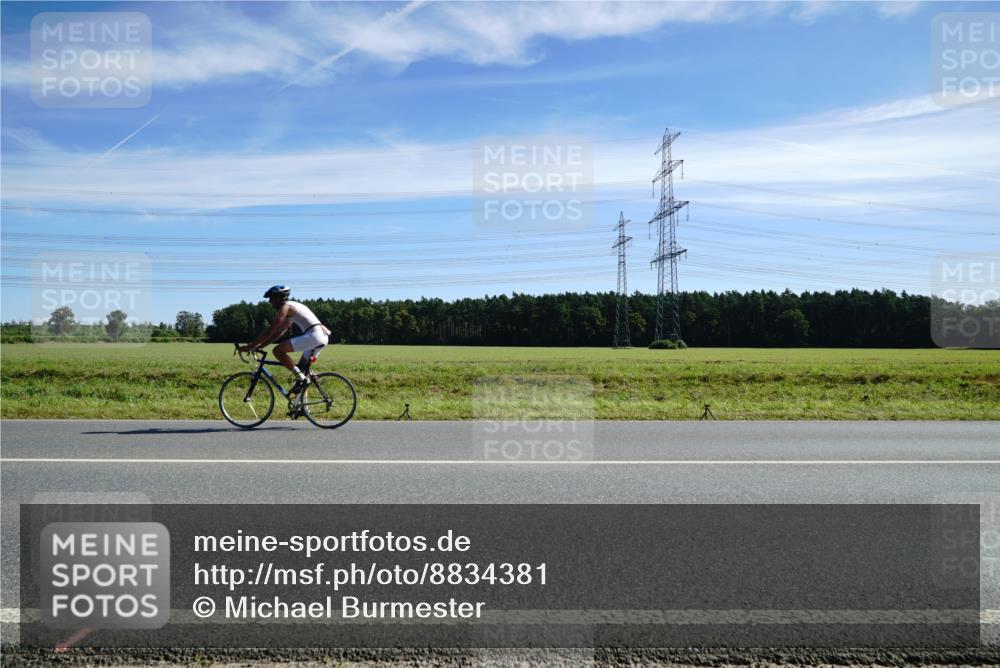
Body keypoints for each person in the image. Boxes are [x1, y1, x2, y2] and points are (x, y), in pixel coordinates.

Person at [238, 285, 331, 392]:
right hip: (321, 336)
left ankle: (301, 377)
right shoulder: (291, 308)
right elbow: (279, 332)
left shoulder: (286, 307)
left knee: (277, 351)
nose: (269, 302)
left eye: (271, 298)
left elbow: (271, 329)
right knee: (302, 375)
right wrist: (261, 346)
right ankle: (303, 406)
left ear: (279, 297)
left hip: (314, 336)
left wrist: (251, 346)